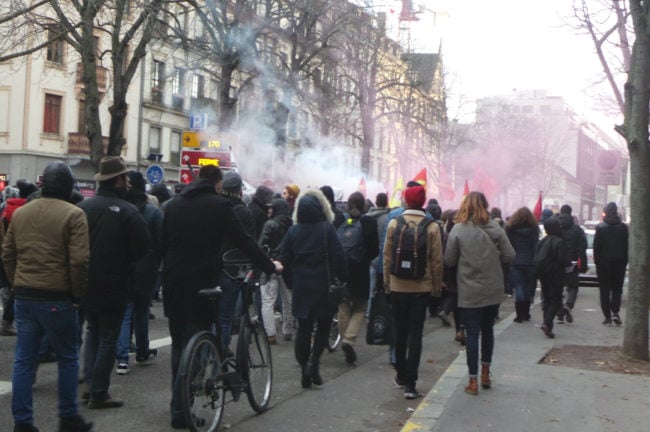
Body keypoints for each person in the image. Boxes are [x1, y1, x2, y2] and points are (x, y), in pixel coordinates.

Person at [161, 165, 281, 429]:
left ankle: (178, 408)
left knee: (180, 345)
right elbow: (245, 241)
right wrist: (270, 265)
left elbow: (160, 244)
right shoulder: (219, 205)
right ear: (217, 184)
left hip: (173, 282)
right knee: (198, 337)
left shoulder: (173, 204)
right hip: (202, 281)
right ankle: (184, 406)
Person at [3, 161, 93, 432]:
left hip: (25, 294)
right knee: (67, 357)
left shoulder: (22, 213)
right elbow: (79, 261)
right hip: (58, 295)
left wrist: (17, 282)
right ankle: (68, 417)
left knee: (23, 360)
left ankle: (22, 422)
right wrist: (77, 294)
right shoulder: (74, 214)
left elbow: (8, 253)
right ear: (68, 187)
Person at [78, 156, 149, 409]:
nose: (128, 182)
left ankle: (89, 385)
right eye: (125, 177)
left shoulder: (84, 208)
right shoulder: (127, 211)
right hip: (116, 282)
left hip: (86, 280)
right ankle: (99, 392)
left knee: (93, 332)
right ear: (118, 180)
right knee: (108, 336)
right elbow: (142, 248)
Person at [444, 191, 515, 395]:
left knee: (472, 333)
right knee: (488, 330)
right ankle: (485, 373)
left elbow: (449, 259)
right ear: (485, 205)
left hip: (469, 288)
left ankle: (472, 381)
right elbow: (510, 255)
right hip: (492, 288)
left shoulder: (458, 229)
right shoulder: (495, 228)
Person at [279, 189, 348, 388]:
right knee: (323, 327)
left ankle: (304, 368)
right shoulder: (326, 228)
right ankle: (314, 362)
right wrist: (342, 278)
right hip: (324, 285)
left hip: (301, 286)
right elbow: (339, 255)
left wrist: (291, 283)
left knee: (304, 328)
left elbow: (284, 260)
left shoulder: (293, 231)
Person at [383, 185, 443, 399]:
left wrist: (387, 285)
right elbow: (437, 262)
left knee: (400, 332)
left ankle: (400, 374)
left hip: (398, 286)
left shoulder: (394, 223)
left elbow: (387, 258)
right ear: (423, 201)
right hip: (421, 287)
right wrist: (436, 290)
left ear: (406, 201)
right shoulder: (432, 227)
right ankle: (411, 383)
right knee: (415, 335)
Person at [115, 171, 163, 375]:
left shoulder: (120, 209)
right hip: (146, 267)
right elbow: (161, 242)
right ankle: (142, 351)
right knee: (141, 310)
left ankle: (122, 358)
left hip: (124, 265)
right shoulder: (152, 212)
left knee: (125, 311)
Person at [217, 171, 258, 352]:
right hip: (232, 269)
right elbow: (249, 243)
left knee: (211, 316)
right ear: (239, 190)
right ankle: (222, 352)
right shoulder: (243, 212)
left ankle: (208, 352)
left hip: (211, 267)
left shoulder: (214, 206)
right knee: (225, 317)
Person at [337, 191, 378, 365]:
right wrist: (365, 259)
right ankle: (349, 339)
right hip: (361, 269)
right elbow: (374, 248)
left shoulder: (339, 220)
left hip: (342, 269)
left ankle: (344, 340)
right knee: (360, 307)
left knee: (343, 306)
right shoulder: (369, 222)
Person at [259, 197, 294, 343]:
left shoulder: (270, 224)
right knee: (288, 300)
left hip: (270, 266)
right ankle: (288, 331)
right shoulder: (292, 225)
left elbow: (261, 246)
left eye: (271, 207)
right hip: (287, 267)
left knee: (268, 301)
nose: (269, 210)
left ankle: (270, 334)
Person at [593, 202, 628, 325]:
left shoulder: (600, 227)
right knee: (617, 289)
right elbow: (626, 246)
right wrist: (625, 261)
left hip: (603, 263)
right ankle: (615, 312)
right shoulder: (623, 228)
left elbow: (596, 247)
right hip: (619, 263)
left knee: (604, 290)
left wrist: (597, 262)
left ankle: (607, 316)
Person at [535, 217, 570, 338]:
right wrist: (569, 264)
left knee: (547, 300)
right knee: (556, 300)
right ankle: (547, 323)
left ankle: (548, 326)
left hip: (543, 274)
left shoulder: (542, 241)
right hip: (556, 274)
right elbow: (563, 259)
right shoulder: (560, 242)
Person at [505, 207, 540, 323]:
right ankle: (526, 313)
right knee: (528, 287)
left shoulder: (510, 229)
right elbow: (536, 246)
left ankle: (519, 315)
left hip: (516, 262)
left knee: (519, 287)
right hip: (530, 262)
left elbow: (508, 245)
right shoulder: (534, 229)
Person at [556, 204, 588, 324]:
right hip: (572, 262)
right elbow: (582, 248)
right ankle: (567, 305)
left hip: (557, 262)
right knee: (573, 286)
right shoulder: (577, 229)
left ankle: (559, 312)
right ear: (571, 213)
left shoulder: (556, 227)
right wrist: (583, 265)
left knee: (557, 287)